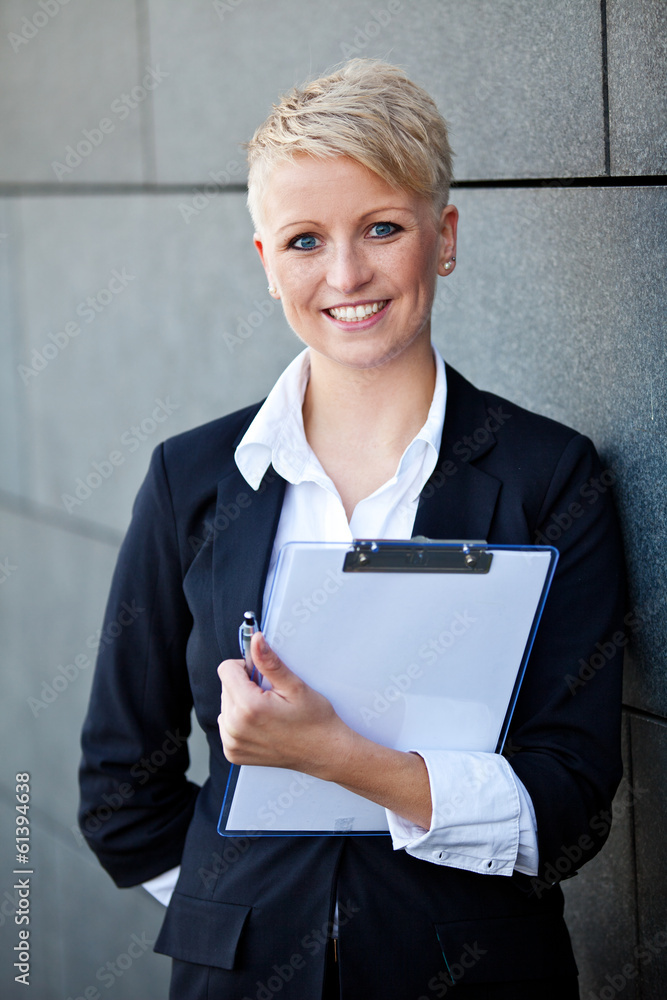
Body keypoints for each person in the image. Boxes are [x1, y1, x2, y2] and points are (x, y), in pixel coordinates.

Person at [79, 59, 625, 999]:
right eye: (303, 240)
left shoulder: (550, 476)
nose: (345, 275)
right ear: (264, 261)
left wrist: (343, 762)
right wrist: (231, 914)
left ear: (442, 238)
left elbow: (568, 810)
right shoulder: (193, 479)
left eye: (382, 228)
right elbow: (121, 788)